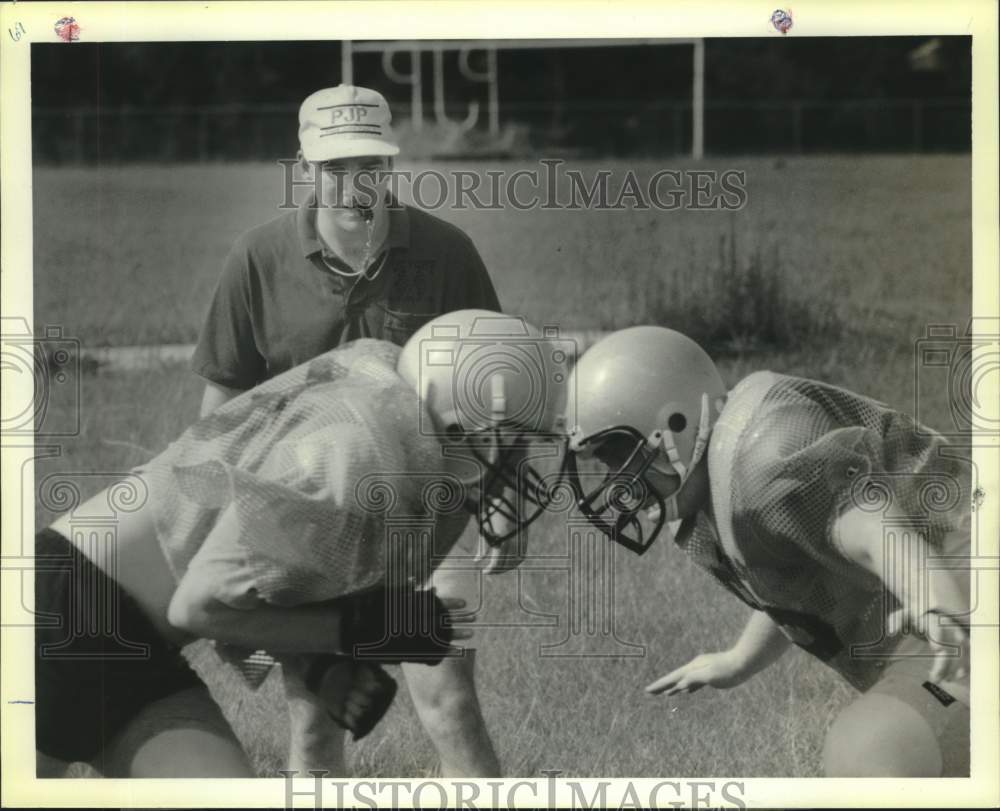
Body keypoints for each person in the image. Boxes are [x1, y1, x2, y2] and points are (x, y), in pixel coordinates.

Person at [35, 313, 566, 777]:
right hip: (61, 613)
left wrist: (322, 666)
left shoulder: (393, 415)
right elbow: (199, 602)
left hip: (139, 650)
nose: (521, 468)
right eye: (514, 446)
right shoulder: (360, 453)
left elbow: (259, 591)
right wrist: (361, 629)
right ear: (456, 424)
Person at [191, 83, 507, 777]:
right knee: (312, 718)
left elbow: (497, 395)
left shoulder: (448, 252)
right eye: (334, 166)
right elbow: (220, 411)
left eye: (367, 164)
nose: (352, 181)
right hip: (308, 518)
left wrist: (501, 513)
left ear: (389, 166)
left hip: (431, 512)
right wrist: (226, 524)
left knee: (449, 701)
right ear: (304, 166)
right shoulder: (257, 258)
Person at [559, 326, 971, 777]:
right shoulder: (723, 491)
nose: (618, 482)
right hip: (938, 607)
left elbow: (877, 529)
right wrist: (739, 659)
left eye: (620, 457)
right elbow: (796, 582)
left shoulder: (767, 460)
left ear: (674, 425)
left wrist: (939, 606)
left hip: (963, 596)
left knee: (871, 749)